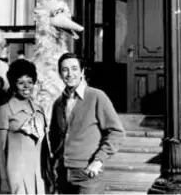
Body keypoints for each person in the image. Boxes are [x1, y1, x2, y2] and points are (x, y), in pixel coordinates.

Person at [49, 53, 125, 194]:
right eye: (65, 70)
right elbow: (54, 136)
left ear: (82, 72)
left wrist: (98, 161)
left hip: (87, 173)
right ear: (60, 73)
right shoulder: (58, 103)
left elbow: (116, 132)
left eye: (74, 68)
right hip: (63, 174)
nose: (70, 74)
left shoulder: (96, 96)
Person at [0, 59, 47, 194]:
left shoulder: (39, 110)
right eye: (21, 83)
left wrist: (49, 175)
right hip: (16, 176)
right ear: (13, 84)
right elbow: (0, 151)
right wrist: (4, 181)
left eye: (29, 82)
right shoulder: (4, 110)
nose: (26, 86)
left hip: (38, 175)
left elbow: (44, 149)